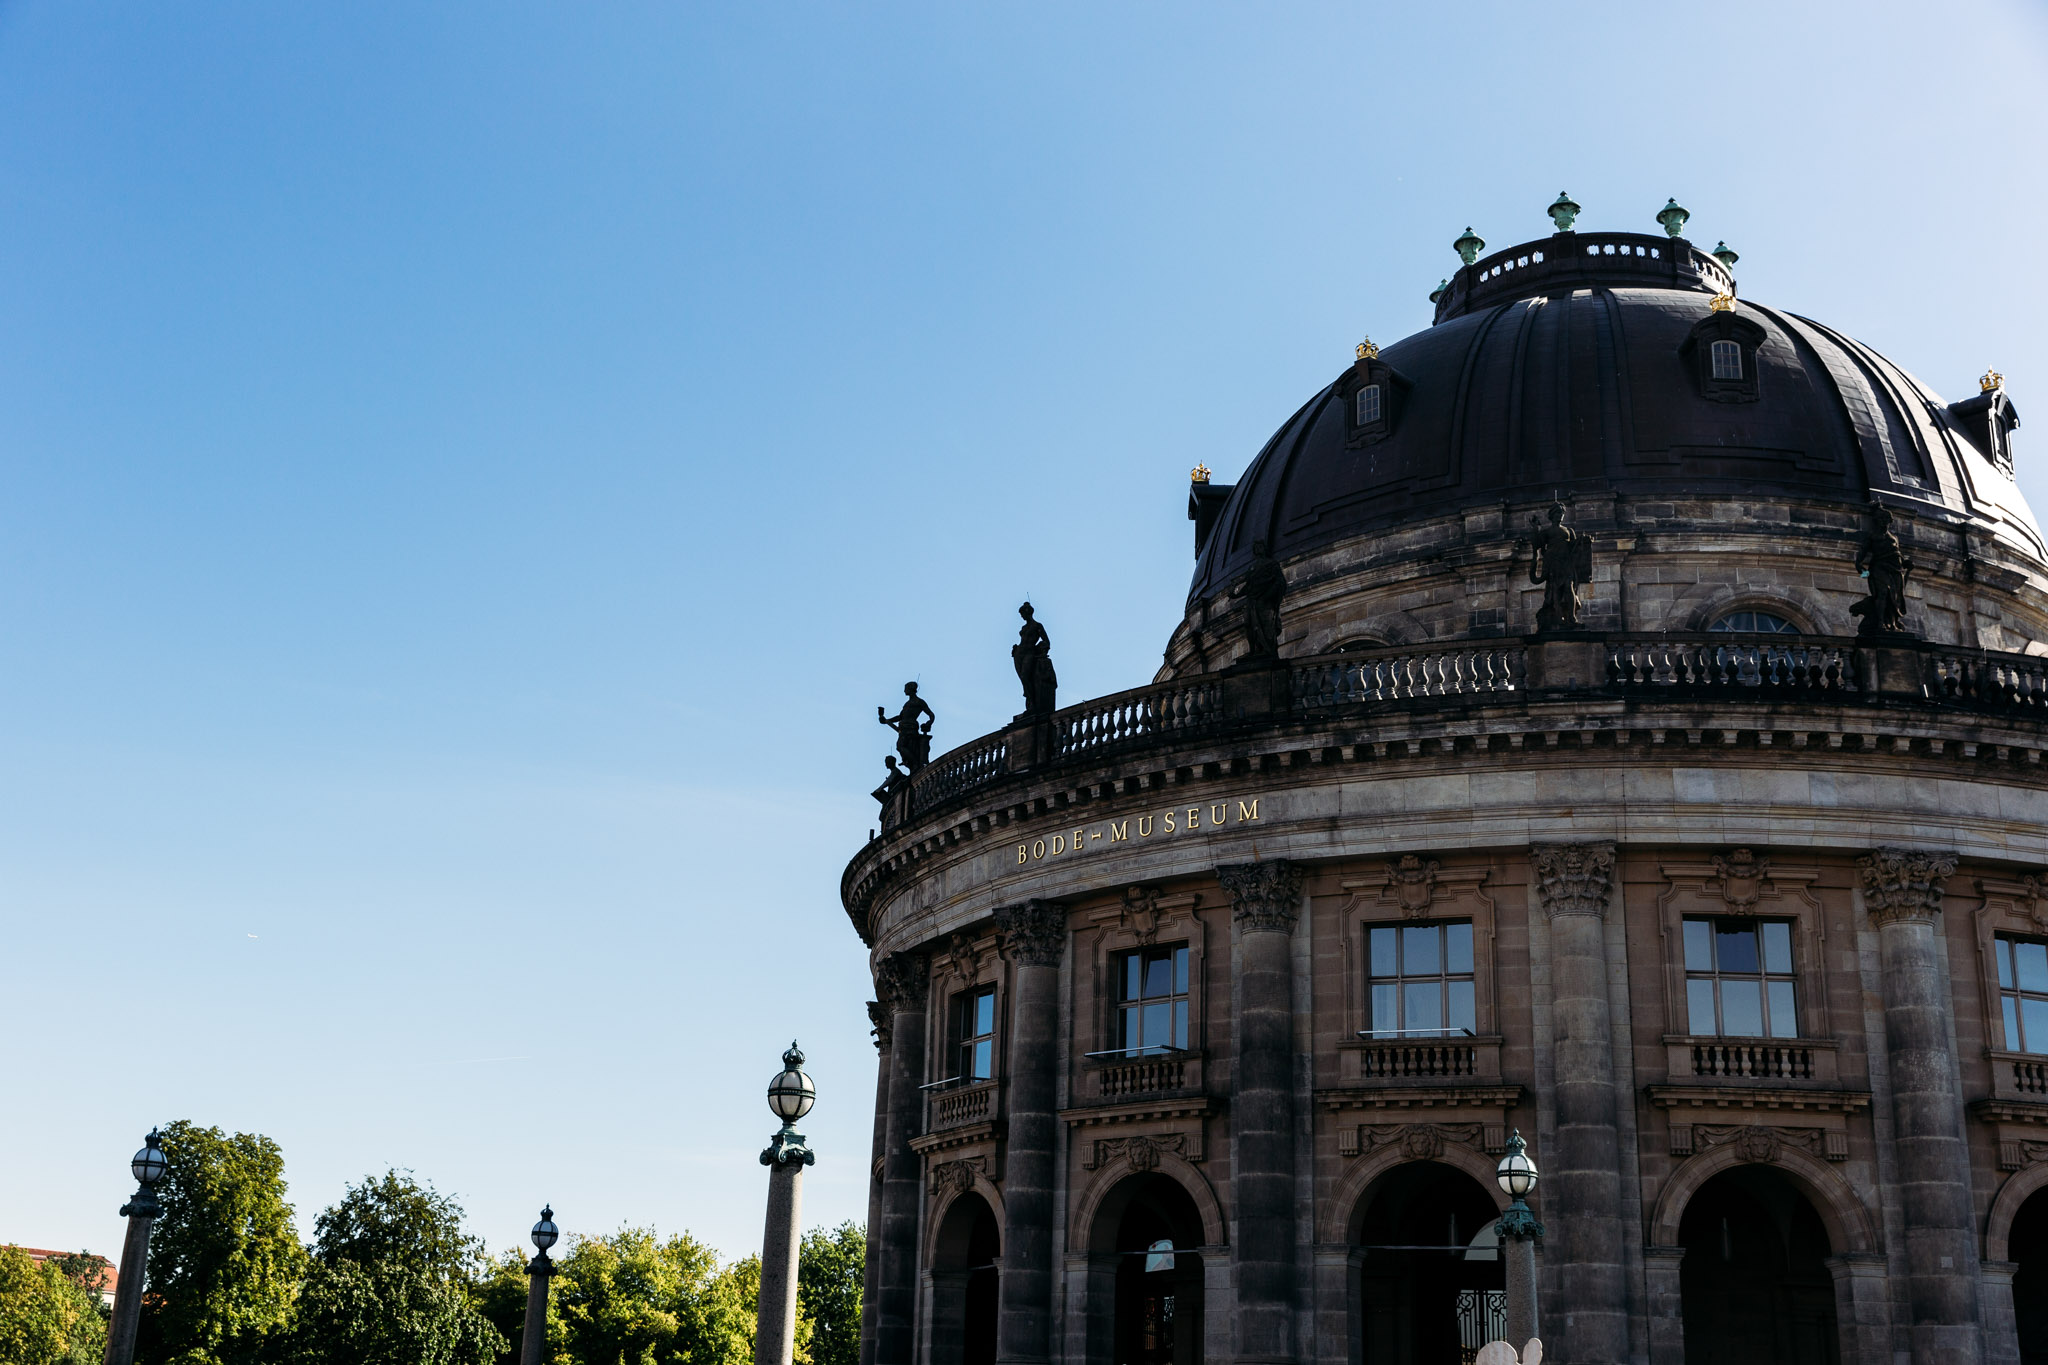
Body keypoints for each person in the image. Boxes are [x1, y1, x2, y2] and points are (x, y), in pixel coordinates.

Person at [1526, 502, 1592, 632]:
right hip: (1553, 564)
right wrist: (1535, 529)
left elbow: (1575, 547)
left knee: (1569, 587)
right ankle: (1558, 616)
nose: (1560, 516)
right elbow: (1537, 544)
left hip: (1566, 563)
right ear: (1552, 516)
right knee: (1555, 590)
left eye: (1561, 513)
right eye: (1557, 513)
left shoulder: (1569, 531)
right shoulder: (1547, 532)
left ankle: (1572, 617)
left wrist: (1583, 541)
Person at [1851, 502, 1912, 636]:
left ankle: (1892, 621)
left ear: (1890, 521)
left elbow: (1898, 554)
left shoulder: (1894, 537)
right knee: (1882, 593)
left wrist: (1906, 563)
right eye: (1881, 519)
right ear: (1877, 521)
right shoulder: (1872, 536)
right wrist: (1862, 571)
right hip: (1879, 568)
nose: (1884, 522)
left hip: (1896, 571)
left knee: (1894, 597)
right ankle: (1880, 623)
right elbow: (1861, 556)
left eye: (1886, 519)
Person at [1231, 538, 1286, 658]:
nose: (1258, 550)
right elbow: (1248, 586)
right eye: (1256, 548)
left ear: (1264, 549)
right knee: (1249, 625)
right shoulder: (1252, 567)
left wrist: (1267, 596)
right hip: (1252, 601)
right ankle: (1254, 650)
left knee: (1266, 627)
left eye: (1260, 547)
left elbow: (1279, 582)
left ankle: (1267, 650)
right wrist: (1236, 595)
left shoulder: (1271, 564)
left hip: (1265, 602)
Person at [1013, 602, 1058, 715]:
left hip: (1030, 652)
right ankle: (1029, 703)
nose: (1021, 616)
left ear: (1028, 612)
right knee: (1024, 679)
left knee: (1025, 677)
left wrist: (1041, 649)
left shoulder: (1037, 625)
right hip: (1019, 653)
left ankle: (1032, 703)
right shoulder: (1024, 627)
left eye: (1022, 613)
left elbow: (1046, 641)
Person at [877, 682, 935, 771]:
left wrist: (928, 723)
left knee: (900, 746)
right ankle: (912, 763)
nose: (904, 690)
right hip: (903, 728)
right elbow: (900, 717)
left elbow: (931, 714)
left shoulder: (919, 701)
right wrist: (886, 720)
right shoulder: (907, 704)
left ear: (910, 689)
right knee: (903, 747)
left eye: (906, 688)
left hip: (910, 728)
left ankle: (915, 763)